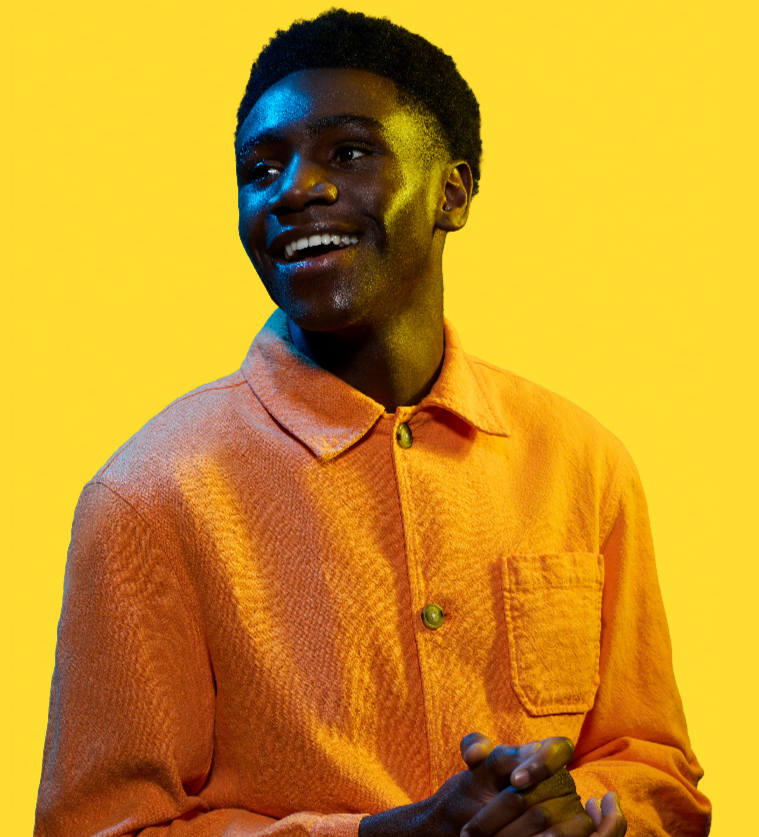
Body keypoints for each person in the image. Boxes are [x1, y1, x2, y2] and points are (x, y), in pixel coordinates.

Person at [34, 9, 711, 837]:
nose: (294, 189)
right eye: (260, 167)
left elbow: (656, 768)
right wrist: (379, 836)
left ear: (452, 191)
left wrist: (586, 814)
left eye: (347, 152)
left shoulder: (584, 462)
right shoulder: (146, 497)